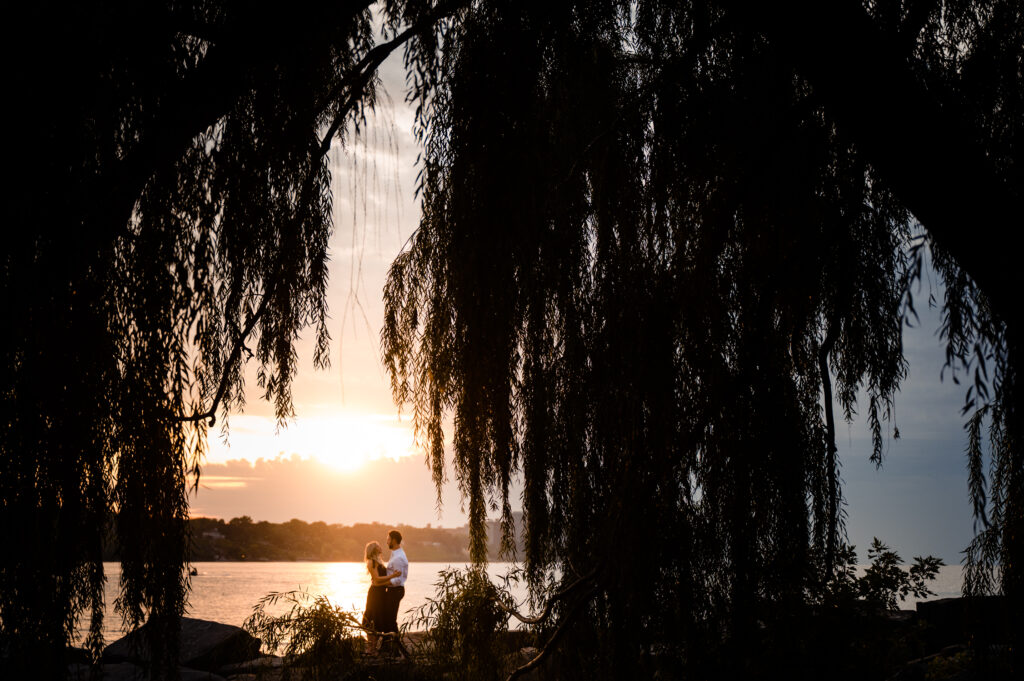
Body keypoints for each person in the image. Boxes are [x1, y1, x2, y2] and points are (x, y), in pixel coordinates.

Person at [362, 541, 399, 655]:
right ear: (373, 549)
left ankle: (373, 649)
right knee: (372, 617)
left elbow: (379, 581)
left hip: (381, 593)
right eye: (378, 546)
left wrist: (391, 582)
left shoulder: (379, 562)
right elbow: (377, 580)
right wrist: (392, 577)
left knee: (379, 619)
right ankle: (370, 649)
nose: (380, 547)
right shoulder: (371, 562)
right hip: (375, 595)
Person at [381, 530, 409, 652]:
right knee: (388, 619)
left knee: (390, 620)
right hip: (393, 590)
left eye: (388, 539)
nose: (387, 541)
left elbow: (398, 579)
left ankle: (396, 649)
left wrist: (382, 583)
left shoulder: (398, 557)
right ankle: (389, 647)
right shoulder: (395, 554)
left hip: (395, 590)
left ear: (393, 540)